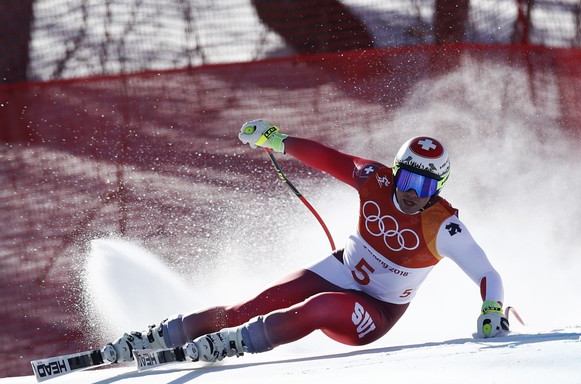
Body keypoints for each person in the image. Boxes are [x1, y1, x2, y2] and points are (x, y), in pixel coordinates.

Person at [109, 119, 509, 363]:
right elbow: (329, 158)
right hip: (341, 269)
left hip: (375, 311)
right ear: (396, 170)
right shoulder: (376, 178)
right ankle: (164, 334)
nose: (411, 193)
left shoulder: (443, 225)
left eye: (424, 186)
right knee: (254, 302)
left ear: (439, 187)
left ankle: (234, 344)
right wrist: (278, 140)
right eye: (406, 178)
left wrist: (492, 309)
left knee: (319, 307)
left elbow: (486, 271)